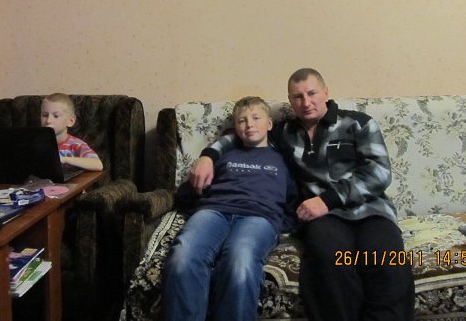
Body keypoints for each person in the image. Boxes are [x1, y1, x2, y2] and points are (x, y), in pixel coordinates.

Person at [190, 69, 415, 321]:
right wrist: (208, 156)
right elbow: (244, 135)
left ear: (326, 93)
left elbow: (379, 172)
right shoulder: (285, 132)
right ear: (290, 101)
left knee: (388, 263)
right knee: (329, 262)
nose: (306, 102)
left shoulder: (358, 122)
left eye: (312, 93)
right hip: (323, 219)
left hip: (370, 210)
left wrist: (328, 200)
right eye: (298, 97)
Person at [162, 96, 298, 321]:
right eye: (242, 120)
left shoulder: (283, 159)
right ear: (235, 127)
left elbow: (293, 200)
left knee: (240, 260)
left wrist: (282, 224)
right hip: (214, 211)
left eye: (256, 118)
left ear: (269, 124)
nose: (249, 124)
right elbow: (187, 193)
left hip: (259, 217)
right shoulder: (223, 154)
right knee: (183, 256)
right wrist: (196, 189)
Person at [40, 93, 103, 171]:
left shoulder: (76, 144)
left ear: (70, 121)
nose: (48, 121)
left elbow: (98, 164)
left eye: (56, 116)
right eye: (45, 115)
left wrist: (64, 159)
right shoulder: (37, 143)